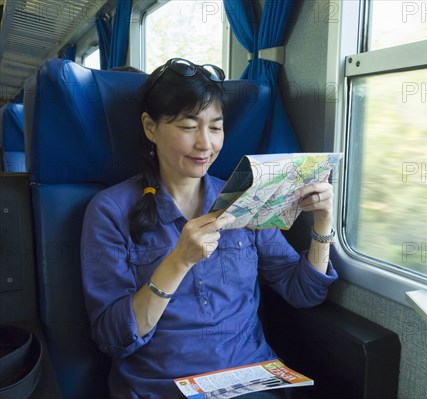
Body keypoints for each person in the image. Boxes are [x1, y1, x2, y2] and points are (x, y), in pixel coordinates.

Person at [80, 58, 338, 399]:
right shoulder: (110, 210)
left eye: (215, 127)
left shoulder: (244, 200)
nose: (206, 144)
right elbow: (113, 338)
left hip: (249, 380)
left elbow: (303, 291)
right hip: (162, 388)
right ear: (150, 127)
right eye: (188, 127)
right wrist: (178, 262)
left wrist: (322, 224)